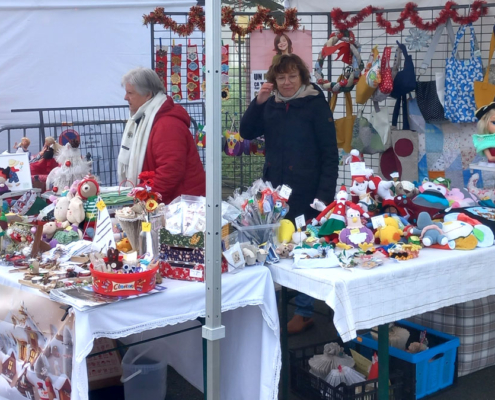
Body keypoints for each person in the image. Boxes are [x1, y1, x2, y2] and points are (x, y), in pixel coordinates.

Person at [240, 54, 339, 334]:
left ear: (302, 78)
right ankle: (278, 302)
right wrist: (258, 101)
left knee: (303, 245)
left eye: (292, 77)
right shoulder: (271, 104)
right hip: (274, 189)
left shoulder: (315, 105)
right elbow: (247, 131)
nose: (286, 83)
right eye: (281, 77)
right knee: (276, 244)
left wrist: (323, 197)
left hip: (307, 191)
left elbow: (330, 154)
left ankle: (305, 311)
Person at [118, 67, 205, 203]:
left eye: (130, 93)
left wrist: (144, 198)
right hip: (174, 201)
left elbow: (170, 172)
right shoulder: (152, 118)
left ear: (147, 94)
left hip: (181, 205)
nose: (125, 97)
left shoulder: (168, 125)